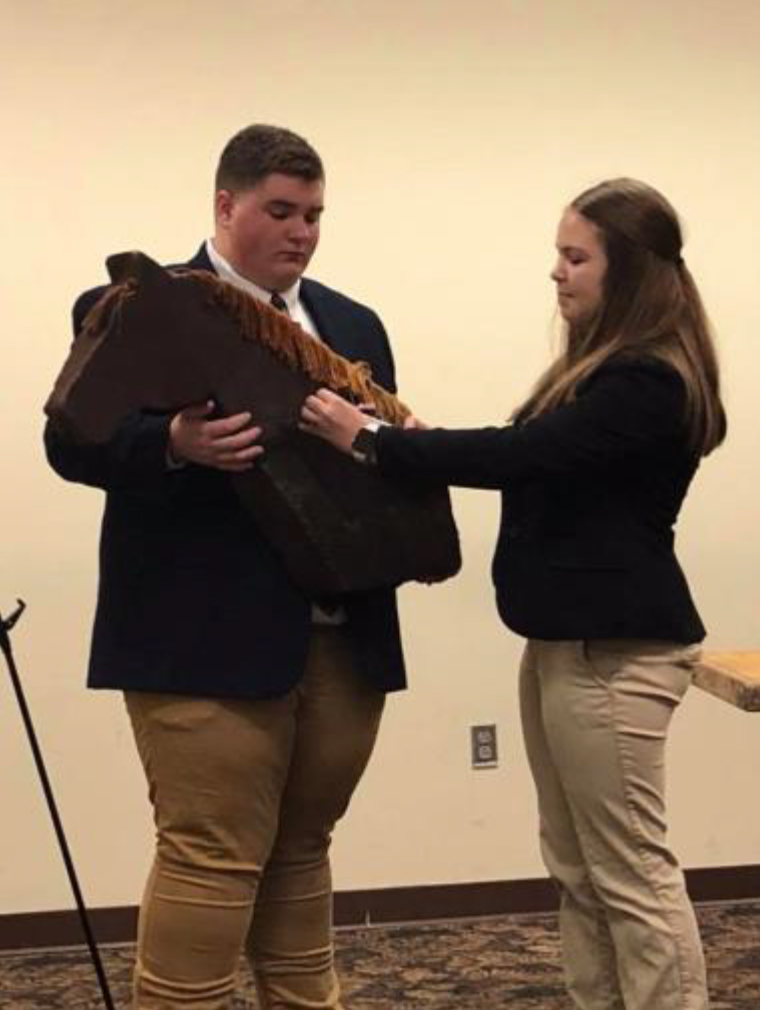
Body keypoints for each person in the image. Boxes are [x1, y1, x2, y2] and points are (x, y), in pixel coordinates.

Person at [301, 177, 725, 1010]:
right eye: (557, 256)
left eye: (575, 257)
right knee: (578, 868)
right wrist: (420, 444)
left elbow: (520, 458)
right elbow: (530, 452)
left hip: (617, 655)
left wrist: (378, 444)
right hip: (570, 647)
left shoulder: (646, 380)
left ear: (627, 270)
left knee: (629, 873)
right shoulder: (602, 371)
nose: (557, 274)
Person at [44, 124, 407, 1010]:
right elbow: (70, 441)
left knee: (304, 848)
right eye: (280, 211)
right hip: (199, 633)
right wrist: (173, 441)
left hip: (342, 637)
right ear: (224, 205)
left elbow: (384, 465)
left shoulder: (355, 325)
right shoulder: (138, 301)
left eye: (315, 214)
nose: (302, 232)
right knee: (210, 852)